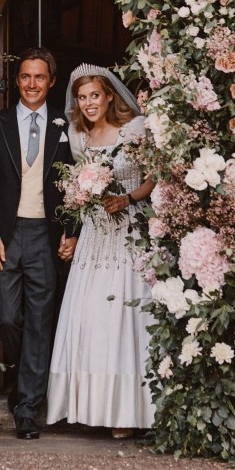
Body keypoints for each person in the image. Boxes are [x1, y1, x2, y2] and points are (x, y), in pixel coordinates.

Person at [46, 64, 155, 437]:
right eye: (82, 97)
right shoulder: (79, 137)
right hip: (95, 235)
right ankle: (91, 406)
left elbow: (153, 176)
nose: (89, 103)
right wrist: (72, 233)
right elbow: (78, 195)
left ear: (110, 95)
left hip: (129, 231)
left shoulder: (135, 130)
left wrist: (127, 197)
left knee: (124, 318)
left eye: (95, 95)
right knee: (91, 317)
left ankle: (127, 412)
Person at [0, 48, 76, 440]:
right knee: (7, 318)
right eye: (25, 77)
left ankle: (28, 409)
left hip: (45, 237)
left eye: (39, 77)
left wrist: (70, 230)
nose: (32, 84)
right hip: (6, 234)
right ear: (17, 81)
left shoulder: (65, 127)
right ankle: (20, 378)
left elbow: (75, 188)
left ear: (51, 81)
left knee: (39, 322)